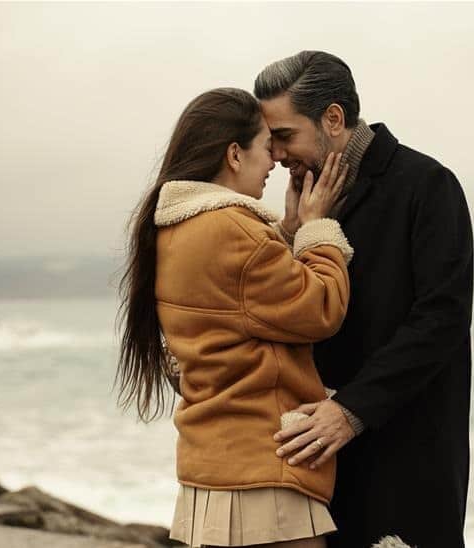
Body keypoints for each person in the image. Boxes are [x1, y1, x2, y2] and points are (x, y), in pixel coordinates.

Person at [116, 87, 355, 548]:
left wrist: (284, 234)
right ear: (234, 154)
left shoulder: (174, 227)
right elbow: (321, 308)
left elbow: (236, 304)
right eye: (266, 147)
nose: (275, 162)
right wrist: (316, 230)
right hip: (262, 474)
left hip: (212, 467)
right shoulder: (235, 229)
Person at [254, 51, 474, 548]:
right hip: (318, 460)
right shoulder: (303, 197)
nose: (277, 154)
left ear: (333, 118)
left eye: (285, 136)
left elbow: (442, 319)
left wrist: (350, 410)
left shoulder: (427, 184)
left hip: (405, 451)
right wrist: (292, 233)